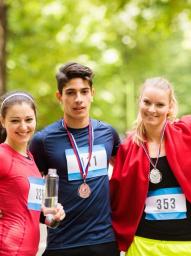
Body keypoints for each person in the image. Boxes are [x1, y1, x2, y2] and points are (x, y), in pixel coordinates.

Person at [110, 77, 191, 256]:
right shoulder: (127, 148)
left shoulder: (186, 131)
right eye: (147, 102)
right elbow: (117, 196)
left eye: (159, 105)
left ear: (170, 107)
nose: (152, 109)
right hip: (142, 245)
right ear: (140, 102)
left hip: (186, 244)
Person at [29, 62, 120, 256]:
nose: (78, 99)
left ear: (92, 93)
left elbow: (128, 173)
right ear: (59, 96)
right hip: (62, 244)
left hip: (104, 242)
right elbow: (27, 190)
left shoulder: (108, 134)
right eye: (70, 92)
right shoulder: (43, 141)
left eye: (84, 91)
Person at [0, 91, 65, 256]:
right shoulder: (2, 155)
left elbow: (27, 208)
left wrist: (52, 215)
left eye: (28, 120)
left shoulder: (31, 158)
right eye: (15, 121)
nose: (23, 126)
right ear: (2, 121)